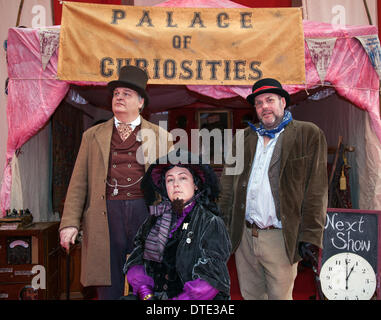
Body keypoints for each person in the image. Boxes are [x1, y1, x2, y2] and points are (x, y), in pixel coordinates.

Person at [59, 65, 173, 299]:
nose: (119, 97)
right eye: (116, 93)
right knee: (107, 285)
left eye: (127, 94)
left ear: (141, 102)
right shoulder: (92, 136)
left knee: (148, 283)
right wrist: (69, 223)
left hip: (146, 213)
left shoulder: (162, 137)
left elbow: (172, 183)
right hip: (105, 215)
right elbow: (78, 182)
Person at [218, 78, 328, 300]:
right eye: (258, 103)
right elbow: (227, 187)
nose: (264, 107)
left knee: (280, 297)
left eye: (269, 100)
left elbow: (316, 190)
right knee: (251, 296)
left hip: (280, 236)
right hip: (245, 237)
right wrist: (220, 226)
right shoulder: (244, 138)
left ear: (283, 102)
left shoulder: (308, 134)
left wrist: (311, 236)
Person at [123, 148, 231, 300]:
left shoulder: (210, 222)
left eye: (183, 178)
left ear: (196, 185)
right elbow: (137, 257)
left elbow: (211, 279)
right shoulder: (155, 218)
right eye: (170, 180)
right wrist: (146, 292)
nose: (176, 185)